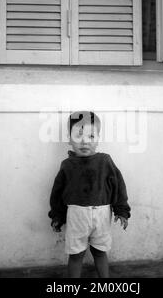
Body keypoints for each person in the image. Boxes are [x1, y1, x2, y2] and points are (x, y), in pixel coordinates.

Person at [48, 111, 131, 278]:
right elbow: (57, 193)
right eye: (78, 135)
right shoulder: (67, 165)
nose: (85, 141)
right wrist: (57, 215)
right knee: (76, 255)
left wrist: (122, 210)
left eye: (91, 135)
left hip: (102, 217)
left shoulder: (105, 161)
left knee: (100, 252)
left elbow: (118, 186)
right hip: (76, 217)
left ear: (98, 138)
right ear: (69, 139)